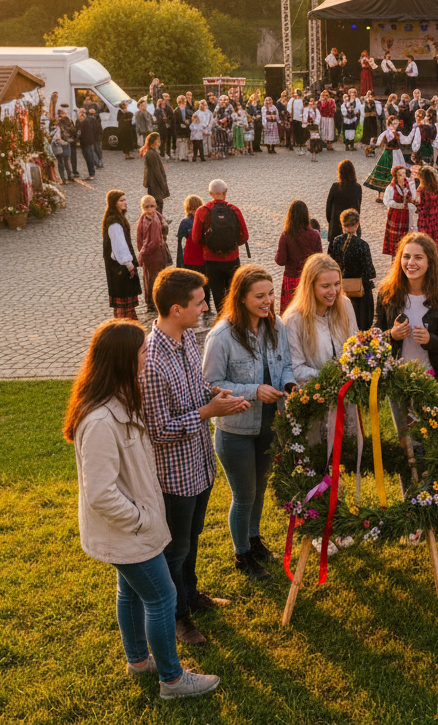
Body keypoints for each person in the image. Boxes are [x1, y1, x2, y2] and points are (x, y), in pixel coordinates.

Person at [64, 320, 221, 699]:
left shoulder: (119, 398)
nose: (145, 356)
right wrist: (140, 519)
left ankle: (138, 661)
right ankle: (172, 679)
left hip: (131, 528)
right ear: (122, 359)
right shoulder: (101, 419)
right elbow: (101, 493)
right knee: (163, 596)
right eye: (140, 352)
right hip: (129, 529)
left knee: (130, 592)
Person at [142, 268, 250, 646]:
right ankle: (177, 617)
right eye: (200, 302)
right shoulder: (151, 362)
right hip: (174, 476)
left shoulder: (186, 338)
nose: (207, 307)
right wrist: (208, 413)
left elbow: (197, 386)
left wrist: (218, 395)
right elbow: (158, 430)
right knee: (175, 549)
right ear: (176, 309)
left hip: (198, 466)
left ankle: (190, 594)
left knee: (192, 538)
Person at [201, 264, 295, 580]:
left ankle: (254, 541)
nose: (268, 301)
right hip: (236, 430)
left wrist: (290, 385)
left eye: (271, 294)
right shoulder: (221, 336)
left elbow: (286, 367)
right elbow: (211, 384)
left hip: (269, 425)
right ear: (241, 297)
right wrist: (254, 390)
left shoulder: (277, 326)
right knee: (243, 496)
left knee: (258, 489)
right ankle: (242, 556)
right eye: (260, 296)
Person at [375, 232, 438, 390]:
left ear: (430, 261)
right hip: (396, 378)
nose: (411, 263)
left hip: (434, 379)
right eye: (406, 256)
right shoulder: (387, 292)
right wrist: (391, 335)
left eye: (418, 257)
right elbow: (374, 335)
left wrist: (430, 340)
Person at [282, 254, 359, 390]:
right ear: (310, 287)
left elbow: (355, 343)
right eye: (325, 286)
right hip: (315, 396)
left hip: (348, 393)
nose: (333, 291)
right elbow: (295, 368)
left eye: (337, 284)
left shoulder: (345, 304)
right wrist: (333, 376)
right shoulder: (294, 320)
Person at [190, 180, 249, 315]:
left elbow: (196, 238)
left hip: (211, 259)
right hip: (232, 258)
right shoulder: (234, 210)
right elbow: (244, 236)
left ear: (211, 194)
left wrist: (210, 245)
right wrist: (232, 245)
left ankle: (222, 318)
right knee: (233, 290)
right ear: (225, 193)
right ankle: (235, 317)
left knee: (217, 292)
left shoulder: (202, 211)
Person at [328, 208, 376, 329]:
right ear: (357, 224)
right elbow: (369, 271)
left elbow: (332, 264)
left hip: (341, 287)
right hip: (358, 293)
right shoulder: (362, 245)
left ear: (341, 223)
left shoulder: (336, 241)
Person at [275, 200, 322, 313]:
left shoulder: (286, 235)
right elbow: (319, 259)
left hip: (291, 278)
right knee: (307, 310)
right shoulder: (315, 234)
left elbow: (280, 261)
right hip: (308, 277)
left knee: (289, 311)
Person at [103, 190, 142, 320]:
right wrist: (129, 264)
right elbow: (119, 246)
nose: (125, 203)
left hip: (119, 267)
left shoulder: (118, 218)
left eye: (125, 200)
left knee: (126, 303)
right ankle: (125, 330)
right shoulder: (114, 222)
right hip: (119, 268)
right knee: (123, 303)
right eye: (121, 200)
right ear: (114, 203)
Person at [176, 195, 214, 316]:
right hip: (203, 258)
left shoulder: (185, 222)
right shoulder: (206, 220)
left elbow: (180, 243)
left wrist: (179, 263)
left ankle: (192, 309)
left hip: (189, 259)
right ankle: (206, 308)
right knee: (205, 284)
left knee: (191, 285)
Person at [137, 195, 169, 314]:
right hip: (149, 254)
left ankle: (155, 301)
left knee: (156, 278)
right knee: (149, 279)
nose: (150, 209)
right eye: (147, 207)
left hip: (156, 253)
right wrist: (143, 251)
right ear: (143, 208)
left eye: (152, 206)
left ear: (155, 206)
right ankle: (150, 302)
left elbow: (162, 232)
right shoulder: (143, 220)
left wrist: (144, 252)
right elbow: (139, 238)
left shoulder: (157, 218)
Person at [365, 115, 405, 197]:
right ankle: (381, 195)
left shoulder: (398, 134)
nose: (395, 125)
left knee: (396, 173)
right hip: (387, 155)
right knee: (383, 174)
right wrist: (373, 144)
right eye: (394, 123)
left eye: (396, 123)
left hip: (396, 154)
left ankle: (394, 193)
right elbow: (378, 143)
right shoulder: (386, 133)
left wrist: (414, 131)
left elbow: (406, 140)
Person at [325, 159, 363, 246]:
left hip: (335, 227)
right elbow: (358, 207)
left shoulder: (335, 187)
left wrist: (332, 222)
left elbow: (328, 209)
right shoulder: (357, 188)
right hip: (352, 225)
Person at [383, 165, 417, 256]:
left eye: (404, 173)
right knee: (395, 238)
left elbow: (412, 197)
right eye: (400, 174)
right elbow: (387, 201)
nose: (403, 176)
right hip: (396, 215)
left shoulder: (408, 185)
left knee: (406, 236)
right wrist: (402, 205)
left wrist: (412, 202)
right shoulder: (391, 187)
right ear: (395, 176)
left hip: (406, 215)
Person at [415, 164, 438, 253]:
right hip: (436, 213)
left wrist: (413, 203)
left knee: (425, 236)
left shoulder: (422, 189)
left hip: (425, 217)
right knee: (436, 233)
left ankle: (427, 252)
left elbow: (421, 204)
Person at [141, 133, 170, 214]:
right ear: (153, 141)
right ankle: (158, 220)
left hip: (154, 182)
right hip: (154, 182)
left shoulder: (152, 152)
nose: (159, 142)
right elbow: (156, 171)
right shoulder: (151, 153)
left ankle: (159, 219)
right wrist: (163, 185)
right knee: (157, 202)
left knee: (158, 202)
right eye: (157, 140)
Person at [77, 108, 99, 180]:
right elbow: (77, 131)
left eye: (83, 113)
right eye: (80, 113)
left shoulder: (88, 121)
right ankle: (90, 173)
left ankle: (92, 173)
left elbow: (93, 130)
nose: (82, 115)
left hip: (88, 142)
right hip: (83, 143)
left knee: (90, 158)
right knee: (86, 158)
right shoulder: (78, 122)